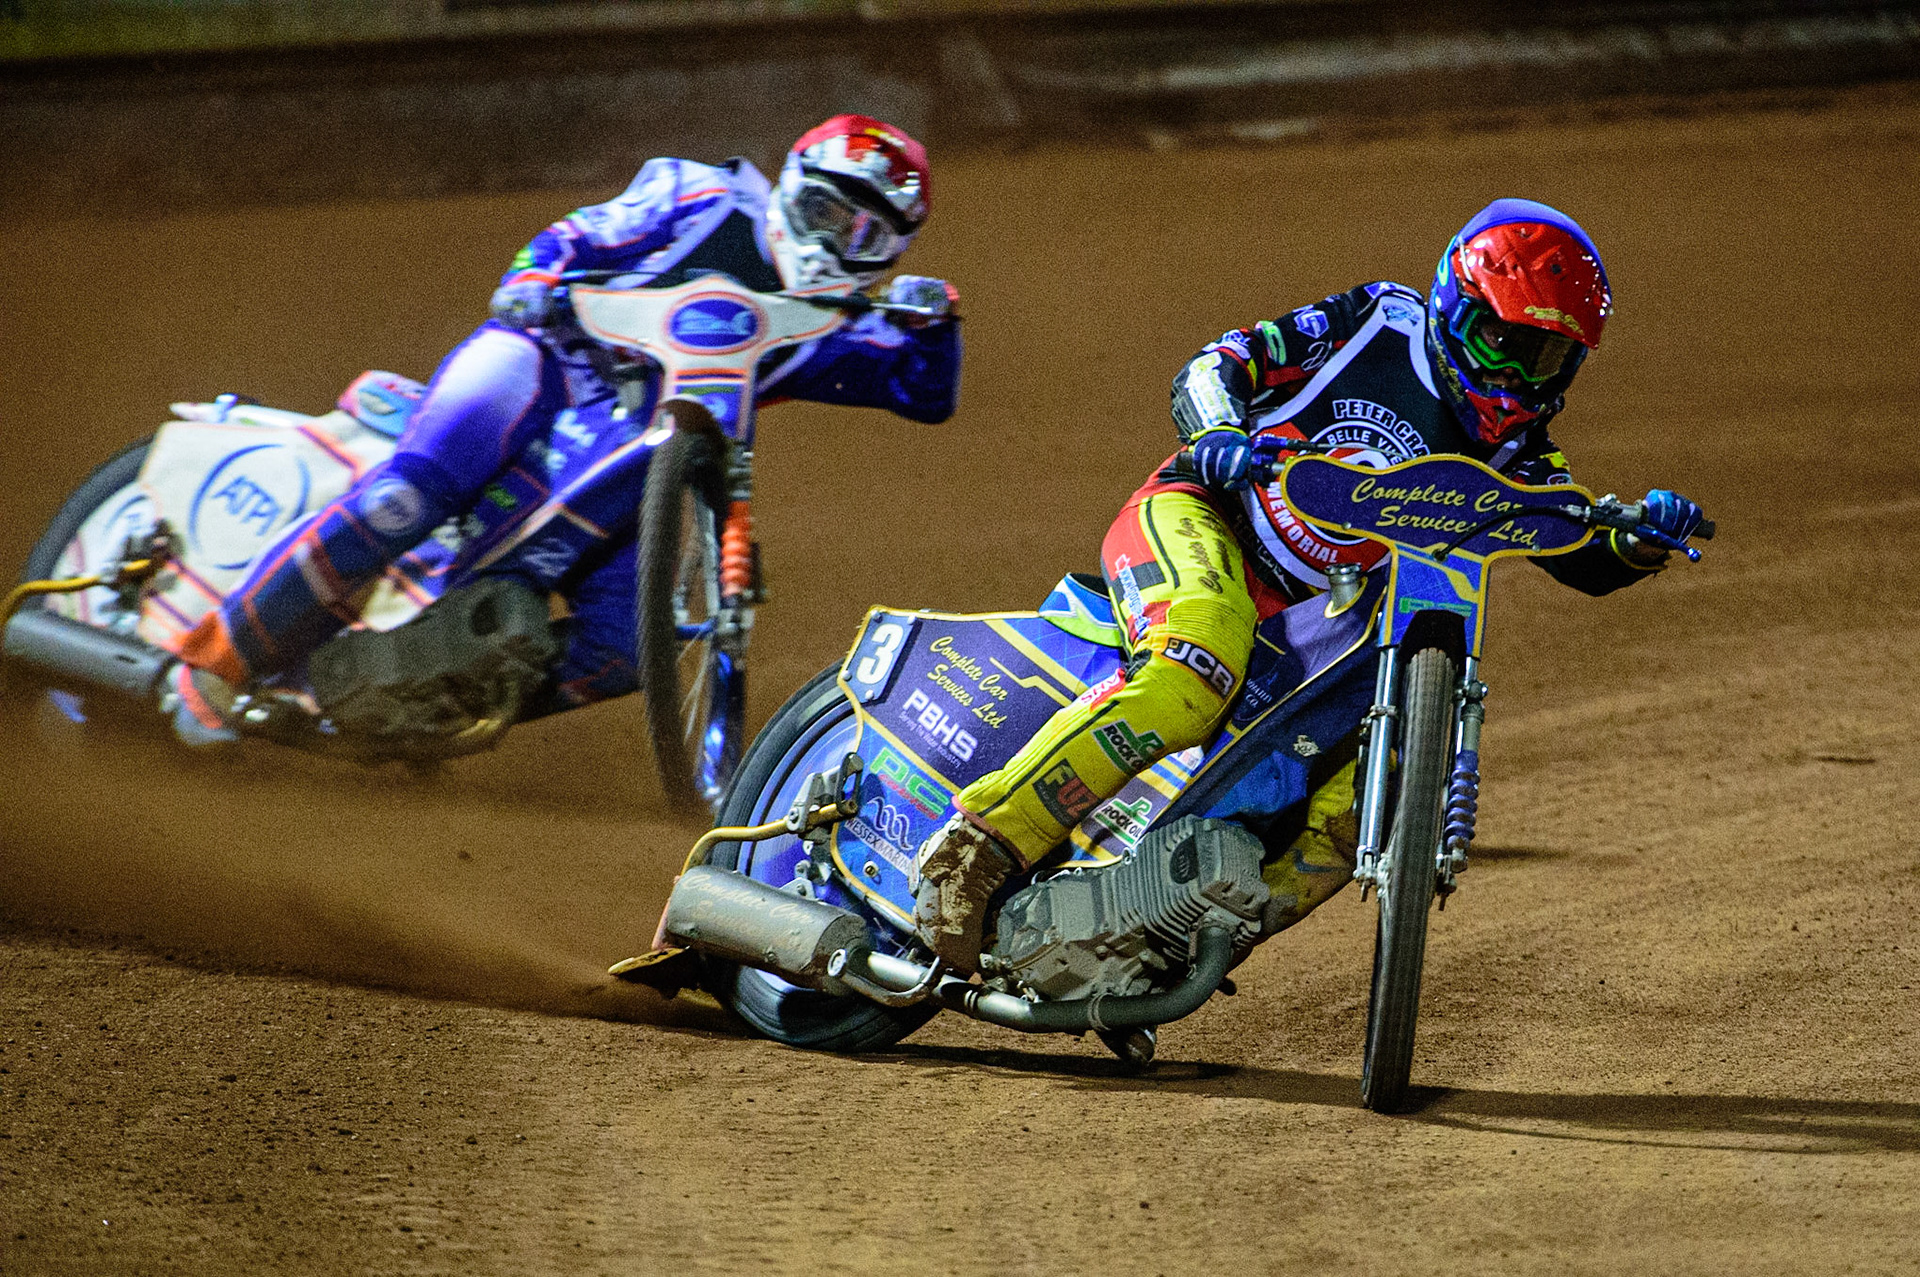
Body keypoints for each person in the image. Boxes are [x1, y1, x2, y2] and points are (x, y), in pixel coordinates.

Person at [912, 197, 1704, 972]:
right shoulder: (1376, 322)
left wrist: (1636, 540)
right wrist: (1220, 432)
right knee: (1195, 666)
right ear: (1461, 309)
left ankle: (1158, 937)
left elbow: (1575, 545)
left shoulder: (1521, 454)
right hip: (1205, 517)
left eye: (1550, 359)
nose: (1523, 378)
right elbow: (1218, 363)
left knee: (1375, 798)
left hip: (1309, 625)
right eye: (1507, 342)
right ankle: (975, 846)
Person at [163, 115, 961, 744]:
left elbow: (924, 394)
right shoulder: (702, 195)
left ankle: (416, 712)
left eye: (866, 236)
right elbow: (583, 231)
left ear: (892, 252)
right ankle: (212, 663)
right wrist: (534, 277)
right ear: (792, 188)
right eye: (826, 212)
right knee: (411, 496)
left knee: (625, 650)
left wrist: (938, 322)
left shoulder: (828, 327)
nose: (833, 245)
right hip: (544, 362)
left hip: (634, 468)